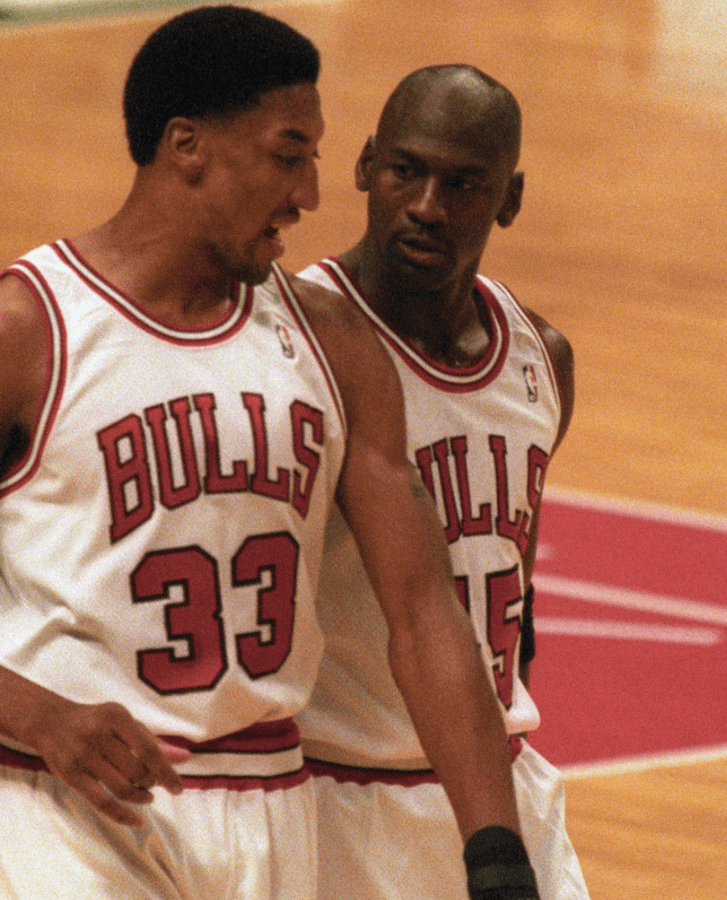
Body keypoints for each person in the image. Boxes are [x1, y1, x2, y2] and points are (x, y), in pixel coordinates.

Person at [0, 8, 539, 900]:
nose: (312, 194)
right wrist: (44, 717)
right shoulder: (16, 333)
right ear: (187, 147)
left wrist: (495, 850)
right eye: (290, 156)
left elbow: (424, 611)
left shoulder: (334, 342)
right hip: (76, 802)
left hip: (274, 807)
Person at [296, 64, 590, 900]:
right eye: (405, 171)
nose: (427, 204)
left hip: (498, 782)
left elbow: (510, 578)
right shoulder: (295, 340)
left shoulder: (542, 357)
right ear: (362, 166)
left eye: (463, 184)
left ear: (511, 197)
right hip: (336, 791)